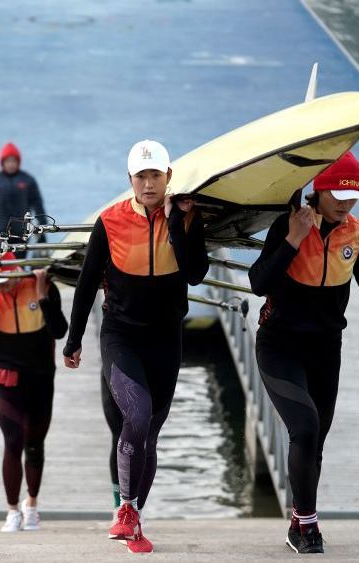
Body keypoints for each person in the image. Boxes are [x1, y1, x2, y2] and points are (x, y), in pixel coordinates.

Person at [248, 151, 359, 554]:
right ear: (318, 188)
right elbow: (258, 282)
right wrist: (293, 239)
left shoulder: (357, 234)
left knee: (315, 442)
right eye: (338, 194)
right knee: (304, 427)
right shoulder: (288, 225)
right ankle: (309, 525)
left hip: (325, 352)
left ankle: (298, 521)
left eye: (353, 196)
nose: (345, 203)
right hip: (279, 346)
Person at [62, 139, 209, 553]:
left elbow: (196, 273)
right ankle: (125, 508)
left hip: (166, 339)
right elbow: (86, 284)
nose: (148, 183)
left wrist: (177, 225)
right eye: (141, 176)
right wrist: (74, 339)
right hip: (121, 335)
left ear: (168, 177)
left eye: (155, 175)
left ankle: (135, 519)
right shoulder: (109, 222)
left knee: (150, 436)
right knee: (137, 414)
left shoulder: (186, 219)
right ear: (130, 179)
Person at [0, 241, 68, 532]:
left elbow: (60, 331)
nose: (2, 287)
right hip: (6, 375)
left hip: (41, 375)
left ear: (15, 271)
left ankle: (31, 505)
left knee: (34, 442)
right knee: (13, 440)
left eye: (4, 281)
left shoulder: (42, 286)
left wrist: (43, 296)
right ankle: (12, 511)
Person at [0, 142, 46, 247]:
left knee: (19, 258)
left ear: (18, 162)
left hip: (21, 233)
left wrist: (43, 225)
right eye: (8, 161)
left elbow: (37, 204)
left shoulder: (28, 180)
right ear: (3, 162)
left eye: (14, 161)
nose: (11, 164)